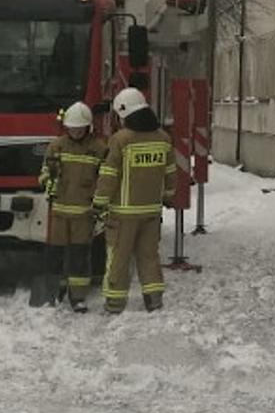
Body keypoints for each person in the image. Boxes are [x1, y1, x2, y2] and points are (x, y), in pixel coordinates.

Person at [93, 87, 176, 314]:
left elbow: (109, 175)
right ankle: (154, 299)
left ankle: (114, 303)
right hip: (152, 211)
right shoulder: (163, 138)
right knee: (149, 256)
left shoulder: (120, 140)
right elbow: (170, 172)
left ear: (123, 113)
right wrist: (168, 196)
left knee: (118, 258)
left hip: (123, 213)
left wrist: (99, 202)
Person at [42, 102, 108, 312]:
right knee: (55, 254)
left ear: (88, 127)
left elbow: (106, 178)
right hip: (59, 211)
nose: (76, 132)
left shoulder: (99, 149)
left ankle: (78, 296)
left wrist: (101, 203)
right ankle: (53, 291)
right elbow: (44, 172)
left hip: (84, 213)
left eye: (80, 129)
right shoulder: (56, 146)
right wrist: (48, 180)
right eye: (72, 129)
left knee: (79, 256)